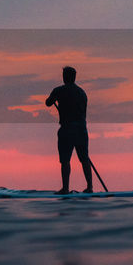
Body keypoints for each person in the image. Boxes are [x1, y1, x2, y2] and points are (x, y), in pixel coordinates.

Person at [45, 66, 92, 194]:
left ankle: (65, 189)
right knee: (84, 159)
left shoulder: (59, 90)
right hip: (82, 129)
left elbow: (48, 103)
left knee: (65, 160)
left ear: (64, 77)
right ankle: (90, 187)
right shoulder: (82, 93)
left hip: (67, 129)